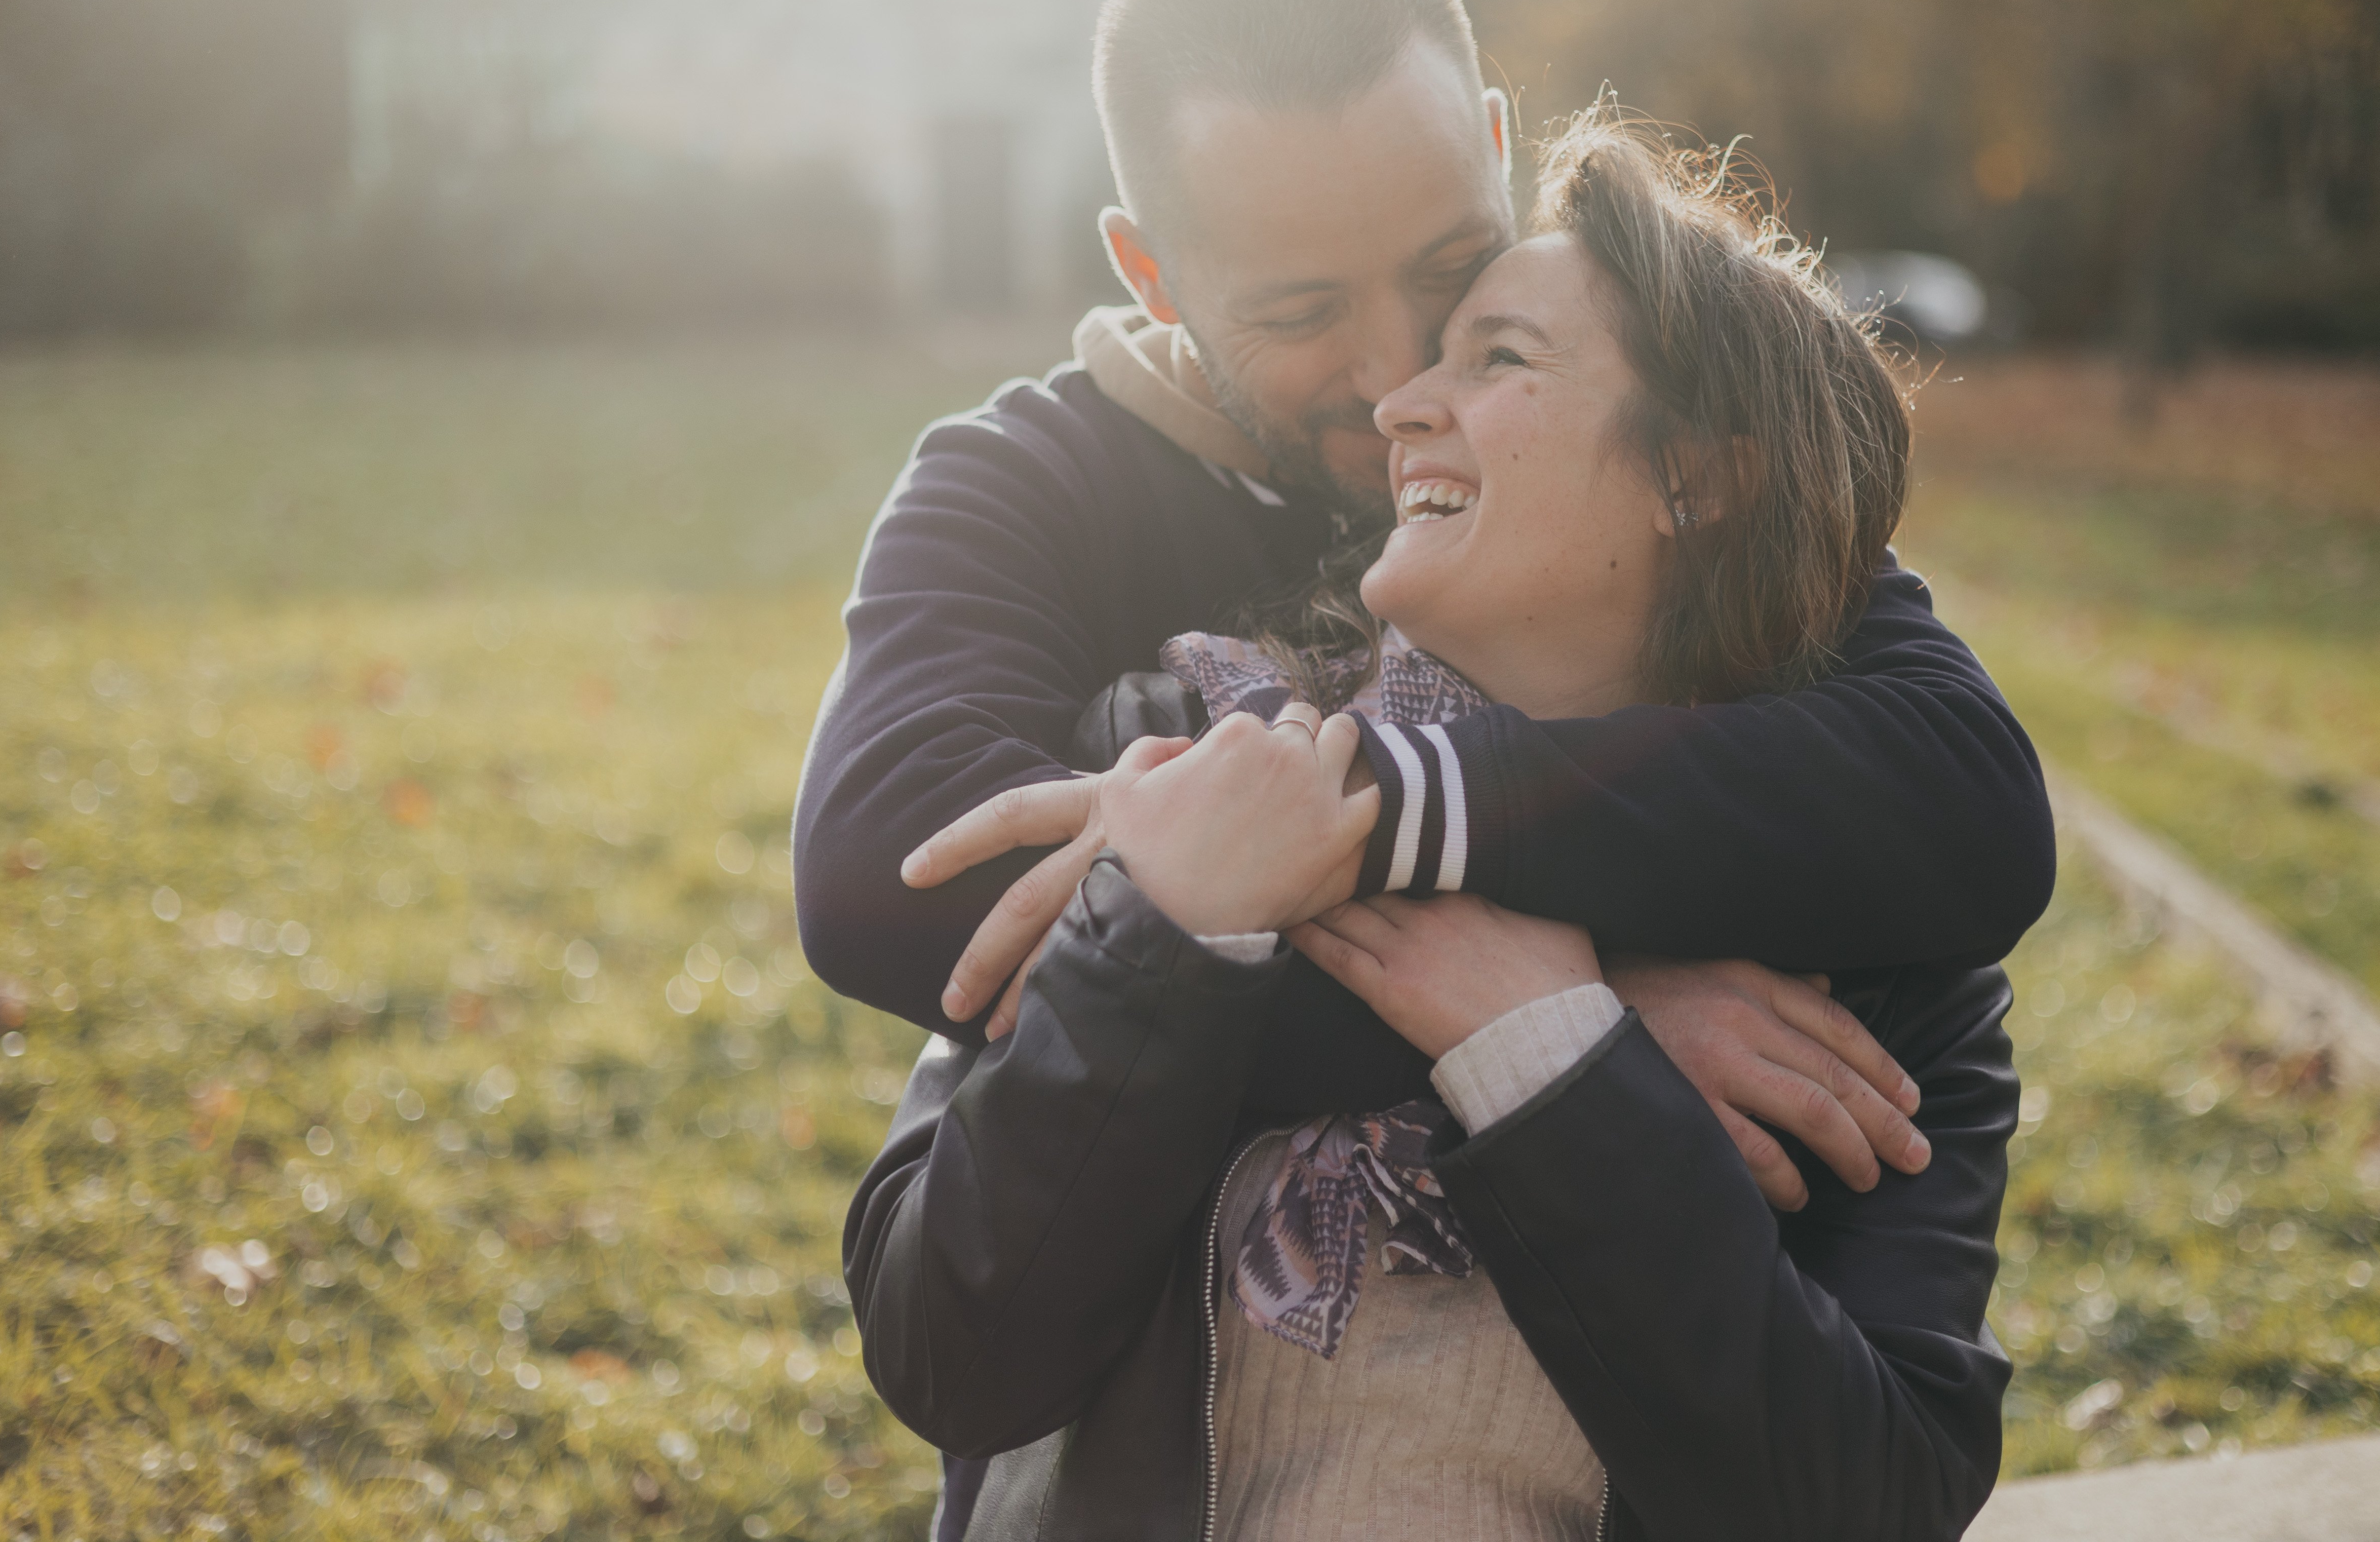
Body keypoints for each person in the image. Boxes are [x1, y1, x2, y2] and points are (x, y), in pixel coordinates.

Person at [844, 109, 2020, 1541]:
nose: (1402, 393)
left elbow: (1874, 1502)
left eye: (1499, 355)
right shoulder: (1177, 756)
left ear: (1697, 478)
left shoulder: (1875, 940)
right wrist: (1186, 934)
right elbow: (947, 1355)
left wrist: (1553, 1055)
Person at [791, 0, 2052, 1219]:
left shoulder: (1622, 432)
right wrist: (1556, 1020)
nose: (1396, 375)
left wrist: (1344, 835)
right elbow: (890, 874)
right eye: (1301, 312)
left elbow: (1955, 792)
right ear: (1151, 273)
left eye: (1450, 264)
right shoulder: (1025, 485)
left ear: (1496, 148)